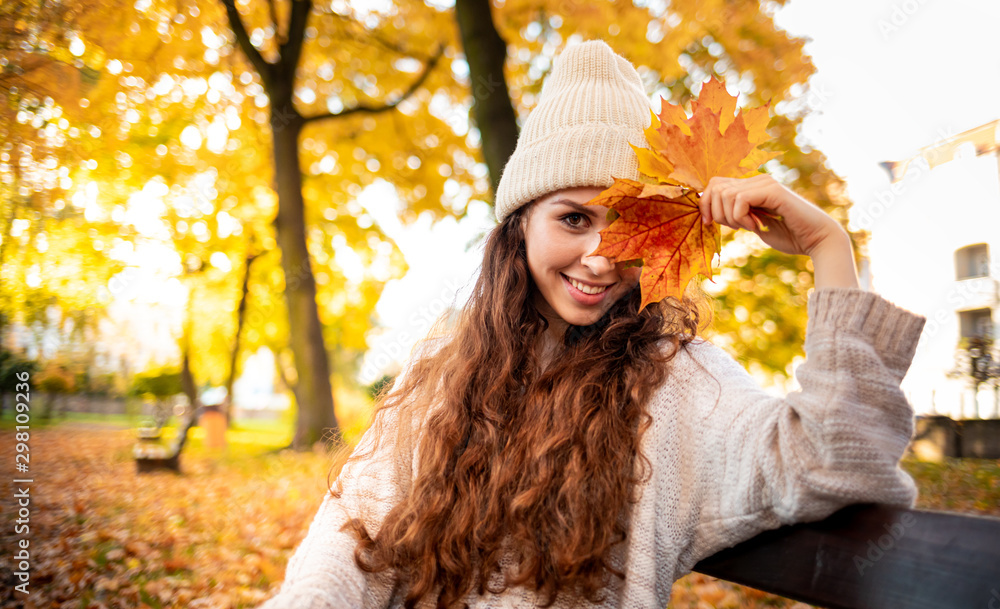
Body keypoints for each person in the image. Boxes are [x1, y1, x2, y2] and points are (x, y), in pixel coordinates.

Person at [256, 40, 925, 609]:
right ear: (519, 227)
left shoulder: (676, 384)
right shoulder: (444, 363)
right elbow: (350, 541)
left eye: (630, 224)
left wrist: (827, 244)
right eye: (574, 218)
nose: (602, 257)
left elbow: (835, 458)